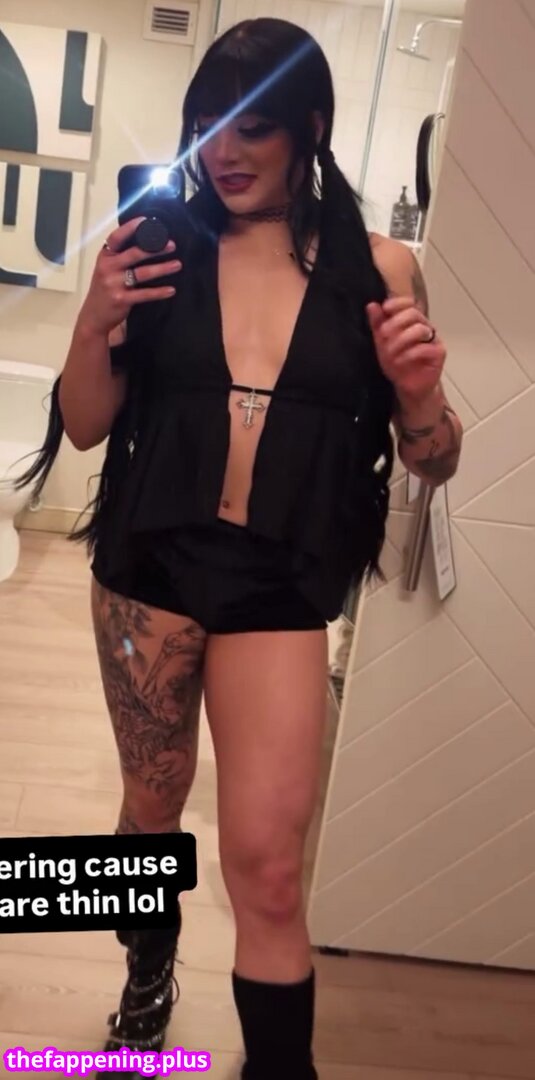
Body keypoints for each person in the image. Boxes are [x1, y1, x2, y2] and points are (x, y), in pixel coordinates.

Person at [13, 17, 463, 1079]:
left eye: (251, 127)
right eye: (206, 124)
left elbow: (434, 460)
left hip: (278, 582)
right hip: (150, 572)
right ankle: (146, 971)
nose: (222, 150)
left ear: (311, 126)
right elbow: (84, 424)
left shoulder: (379, 269)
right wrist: (93, 321)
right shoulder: (161, 244)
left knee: (266, 869)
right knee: (151, 812)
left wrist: (419, 396)